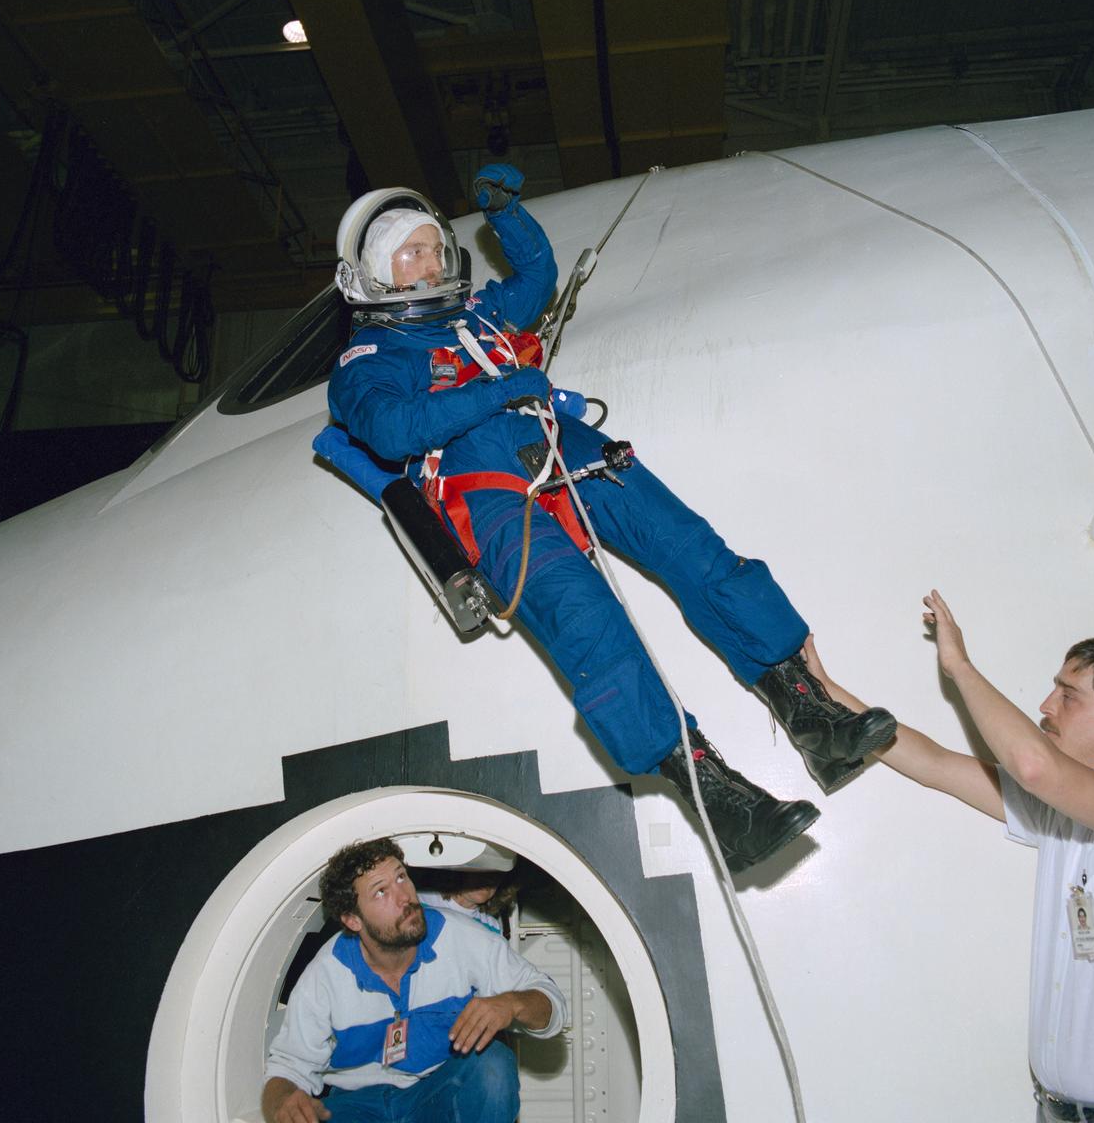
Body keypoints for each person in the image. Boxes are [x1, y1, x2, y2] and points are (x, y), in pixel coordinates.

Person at [322, 165, 898, 873]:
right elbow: (389, 428)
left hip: (564, 448)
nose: (434, 262)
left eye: (436, 247)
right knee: (592, 628)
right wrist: (496, 393)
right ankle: (719, 802)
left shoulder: (477, 317)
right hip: (488, 492)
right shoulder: (367, 359)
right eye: (412, 253)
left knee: (692, 548)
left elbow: (537, 277)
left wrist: (508, 217)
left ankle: (813, 718)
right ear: (374, 274)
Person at [806, 590, 1094, 1121]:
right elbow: (935, 762)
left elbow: (1032, 765)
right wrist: (826, 692)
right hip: (1058, 1110)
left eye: (1067, 695)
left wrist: (959, 666)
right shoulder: (1063, 811)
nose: (1045, 706)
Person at [262, 837, 567, 1123]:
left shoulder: (460, 938)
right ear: (353, 920)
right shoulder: (325, 976)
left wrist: (511, 1004)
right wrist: (284, 1100)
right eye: (381, 891)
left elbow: (550, 1001)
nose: (404, 897)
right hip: (356, 1106)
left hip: (436, 1093)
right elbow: (287, 1069)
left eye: (401, 877)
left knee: (494, 1067)